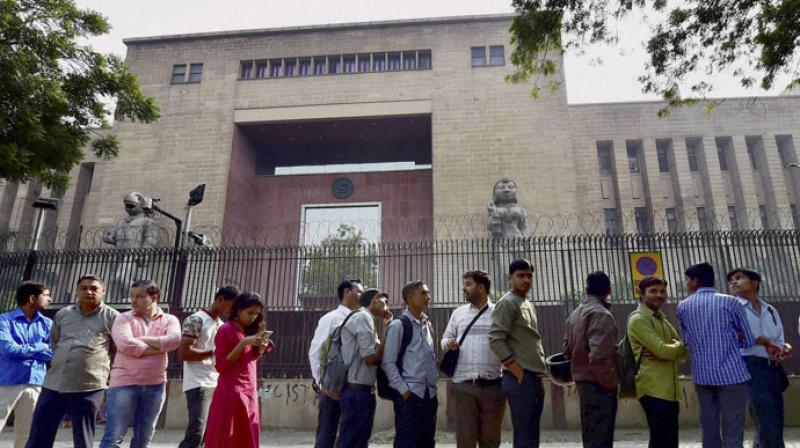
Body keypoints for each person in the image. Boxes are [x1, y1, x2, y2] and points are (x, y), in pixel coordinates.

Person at [26, 275, 119, 448]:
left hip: (88, 386)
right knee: (39, 435)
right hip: (55, 383)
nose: (88, 292)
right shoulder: (63, 314)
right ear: (77, 290)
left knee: (83, 438)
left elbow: (116, 350)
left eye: (94, 288)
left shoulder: (112, 317)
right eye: (83, 288)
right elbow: (55, 342)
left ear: (103, 292)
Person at [677, 262, 755, 448]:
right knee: (733, 428)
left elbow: (687, 340)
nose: (687, 284)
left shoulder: (683, 306)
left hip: (703, 376)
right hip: (732, 376)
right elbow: (749, 340)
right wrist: (735, 337)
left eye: (688, 280)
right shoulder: (730, 302)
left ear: (696, 281)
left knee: (709, 427)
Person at [100, 280, 181, 448]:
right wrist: (160, 347)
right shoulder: (123, 318)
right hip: (124, 383)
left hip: (155, 384)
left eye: (140, 296)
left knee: (144, 439)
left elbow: (174, 341)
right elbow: (124, 344)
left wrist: (140, 341)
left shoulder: (169, 319)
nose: (133, 300)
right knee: (113, 437)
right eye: (132, 296)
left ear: (154, 297)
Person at [727, 268, 792, 448]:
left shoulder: (770, 310)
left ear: (755, 283)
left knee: (775, 418)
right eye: (731, 279)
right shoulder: (732, 308)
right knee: (764, 416)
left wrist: (783, 348)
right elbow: (739, 337)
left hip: (771, 367)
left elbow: (779, 339)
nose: (734, 282)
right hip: (749, 367)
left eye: (739, 278)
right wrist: (768, 342)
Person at [441, 270, 504, 448]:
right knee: (465, 439)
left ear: (481, 287)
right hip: (464, 386)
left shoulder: (499, 312)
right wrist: (449, 343)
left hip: (493, 385)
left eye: (468, 284)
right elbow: (444, 339)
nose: (464, 288)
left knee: (490, 440)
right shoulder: (458, 313)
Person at [488, 259, 547, 448]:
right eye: (520, 275)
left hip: (534, 378)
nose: (526, 279)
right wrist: (518, 372)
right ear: (509, 279)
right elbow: (496, 339)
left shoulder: (527, 303)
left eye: (530, 275)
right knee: (523, 435)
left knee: (532, 434)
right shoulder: (507, 303)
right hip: (520, 379)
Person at [204, 292, 273, 448]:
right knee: (226, 439)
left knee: (246, 436)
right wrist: (243, 344)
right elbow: (221, 366)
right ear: (238, 310)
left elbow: (246, 362)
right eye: (250, 313)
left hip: (249, 392)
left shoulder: (248, 331)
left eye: (256, 314)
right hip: (231, 394)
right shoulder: (226, 330)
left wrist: (260, 350)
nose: (253, 317)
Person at [626, 277, 687, 448]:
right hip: (653, 388)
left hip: (669, 390)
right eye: (653, 291)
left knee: (668, 441)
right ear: (641, 293)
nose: (659, 295)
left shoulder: (662, 319)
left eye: (662, 291)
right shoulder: (639, 319)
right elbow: (663, 350)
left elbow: (683, 353)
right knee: (661, 440)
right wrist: (675, 347)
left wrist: (672, 349)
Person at [562, 271, 620, 448]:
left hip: (583, 382)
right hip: (599, 384)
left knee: (590, 436)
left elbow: (566, 350)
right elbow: (598, 356)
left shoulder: (575, 314)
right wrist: (611, 383)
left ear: (586, 290)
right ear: (608, 290)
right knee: (601, 437)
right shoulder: (601, 314)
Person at [177, 285, 240, 448]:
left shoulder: (222, 324)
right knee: (196, 432)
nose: (232, 311)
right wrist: (214, 352)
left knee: (210, 433)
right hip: (198, 383)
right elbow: (184, 353)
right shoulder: (196, 319)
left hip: (217, 382)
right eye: (231, 306)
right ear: (220, 300)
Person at [308, 279, 363, 448]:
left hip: (354, 386)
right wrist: (322, 383)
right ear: (347, 292)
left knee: (349, 434)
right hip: (332, 386)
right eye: (359, 291)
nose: (362, 296)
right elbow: (316, 351)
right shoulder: (331, 319)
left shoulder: (361, 319)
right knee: (327, 433)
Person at [382, 280, 438, 448]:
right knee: (407, 442)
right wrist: (404, 391)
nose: (428, 297)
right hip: (410, 396)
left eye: (428, 293)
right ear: (410, 297)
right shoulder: (399, 325)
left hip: (430, 395)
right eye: (423, 293)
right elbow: (388, 363)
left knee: (427, 442)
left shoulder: (427, 324)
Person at [0, 282, 53, 448]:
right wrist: (39, 347)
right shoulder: (5, 321)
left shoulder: (47, 324)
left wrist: (26, 350)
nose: (50, 299)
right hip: (6, 382)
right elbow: (8, 349)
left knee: (28, 433)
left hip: (36, 383)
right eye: (46, 295)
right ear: (32, 298)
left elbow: (53, 353)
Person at [338, 288, 392, 448]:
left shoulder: (364, 318)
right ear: (376, 299)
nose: (387, 307)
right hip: (357, 391)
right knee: (353, 440)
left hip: (359, 390)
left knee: (356, 439)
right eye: (385, 302)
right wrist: (389, 329)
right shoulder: (363, 317)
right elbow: (369, 358)